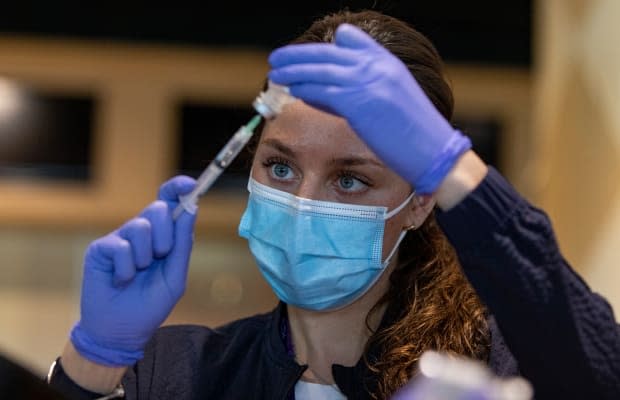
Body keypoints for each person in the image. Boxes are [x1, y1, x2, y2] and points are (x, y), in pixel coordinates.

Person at [47, 10, 620, 400]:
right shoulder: (173, 374)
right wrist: (94, 360)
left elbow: (600, 375)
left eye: (350, 180)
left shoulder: (494, 369)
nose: (301, 201)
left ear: (421, 203)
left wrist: (456, 167)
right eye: (280, 167)